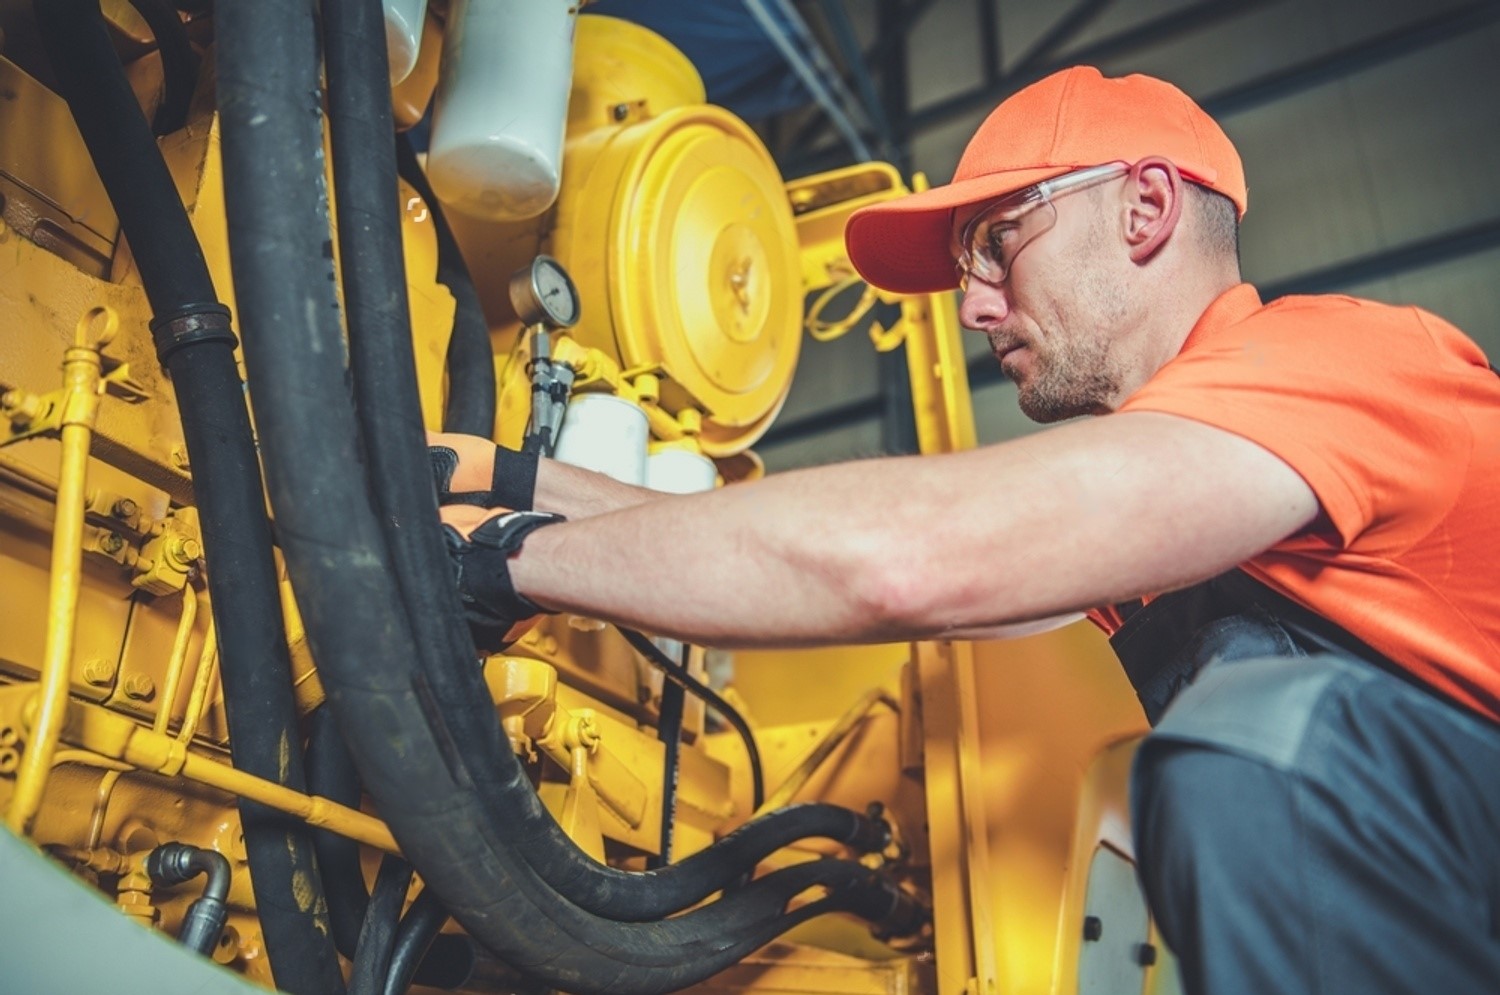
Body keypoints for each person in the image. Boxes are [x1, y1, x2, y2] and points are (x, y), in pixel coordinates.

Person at [430, 66, 1500, 994]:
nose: (975, 305)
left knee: (1261, 734)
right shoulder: (1174, 513)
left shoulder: (1344, 363)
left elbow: (907, 560)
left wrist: (512, 560)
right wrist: (517, 481)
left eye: (997, 243)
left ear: (1145, 209)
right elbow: (781, 548)